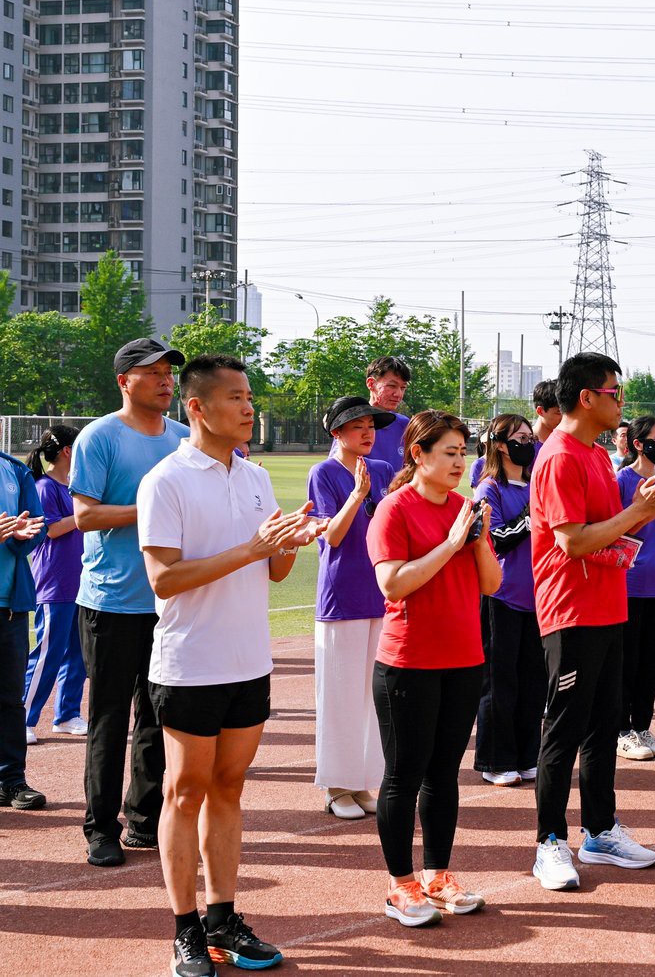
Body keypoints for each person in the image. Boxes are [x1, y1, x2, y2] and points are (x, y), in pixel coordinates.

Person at [138, 354, 325, 976]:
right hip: (190, 663)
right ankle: (185, 930)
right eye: (236, 397)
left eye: (249, 397)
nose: (249, 408)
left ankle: (222, 918)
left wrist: (290, 542)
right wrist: (250, 548)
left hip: (249, 660)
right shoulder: (165, 480)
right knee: (184, 791)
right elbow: (164, 579)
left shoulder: (255, 477)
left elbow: (272, 570)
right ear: (197, 407)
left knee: (228, 788)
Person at [529, 353, 655, 891]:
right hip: (570, 610)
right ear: (587, 397)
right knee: (564, 728)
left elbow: (607, 528)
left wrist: (642, 507)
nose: (622, 401)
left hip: (608, 604)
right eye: (614, 392)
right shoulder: (559, 457)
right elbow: (572, 541)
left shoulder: (595, 455)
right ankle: (549, 841)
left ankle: (599, 829)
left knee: (602, 725)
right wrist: (639, 512)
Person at [367, 410, 501, 927]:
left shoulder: (468, 509)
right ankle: (399, 885)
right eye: (449, 452)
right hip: (409, 662)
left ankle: (438, 876)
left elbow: (491, 583)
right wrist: (449, 544)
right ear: (418, 455)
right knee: (404, 775)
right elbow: (393, 584)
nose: (460, 462)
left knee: (444, 774)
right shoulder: (394, 510)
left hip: (463, 659)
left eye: (463, 452)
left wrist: (477, 539)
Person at [71, 337, 190, 867]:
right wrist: (154, 508)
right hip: (111, 602)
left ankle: (143, 820)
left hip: (168, 602)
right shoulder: (99, 436)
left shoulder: (184, 438)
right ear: (124, 381)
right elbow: (85, 516)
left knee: (158, 717)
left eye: (169, 372)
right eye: (153, 372)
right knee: (109, 717)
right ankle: (100, 827)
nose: (166, 380)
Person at [306, 397, 397, 820]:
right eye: (357, 426)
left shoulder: (383, 469)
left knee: (371, 699)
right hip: (341, 597)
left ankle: (361, 782)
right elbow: (333, 536)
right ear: (337, 432)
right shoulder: (323, 473)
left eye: (371, 426)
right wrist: (358, 494)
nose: (367, 432)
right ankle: (336, 786)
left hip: (380, 593)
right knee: (339, 695)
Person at [472, 414, 544, 786]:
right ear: (500, 445)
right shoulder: (490, 488)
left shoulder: (535, 486)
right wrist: (531, 517)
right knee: (499, 682)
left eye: (531, 438)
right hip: (501, 596)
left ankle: (527, 754)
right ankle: (495, 759)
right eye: (521, 438)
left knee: (533, 681)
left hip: (538, 598)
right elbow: (494, 538)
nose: (528, 444)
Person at [21, 426, 86, 746]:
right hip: (54, 583)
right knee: (48, 653)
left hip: (79, 583)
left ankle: (67, 714)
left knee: (78, 654)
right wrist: (86, 514)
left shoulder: (73, 488)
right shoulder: (45, 487)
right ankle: (22, 718)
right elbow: (52, 529)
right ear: (67, 451)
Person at [616, 416, 655, 762]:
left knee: (651, 662)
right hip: (629, 582)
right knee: (627, 659)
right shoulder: (622, 480)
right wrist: (642, 508)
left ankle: (642, 726)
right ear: (638, 444)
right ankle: (622, 730)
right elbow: (615, 529)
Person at [0, 441, 47, 811]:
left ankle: (11, 781)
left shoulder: (15, 470)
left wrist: (23, 534)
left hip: (11, 606)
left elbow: (38, 525)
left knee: (9, 698)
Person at [339, 356, 412, 474]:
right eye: (392, 386)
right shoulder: (350, 422)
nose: (398, 394)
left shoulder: (405, 425)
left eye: (403, 388)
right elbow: (339, 469)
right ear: (371, 384)